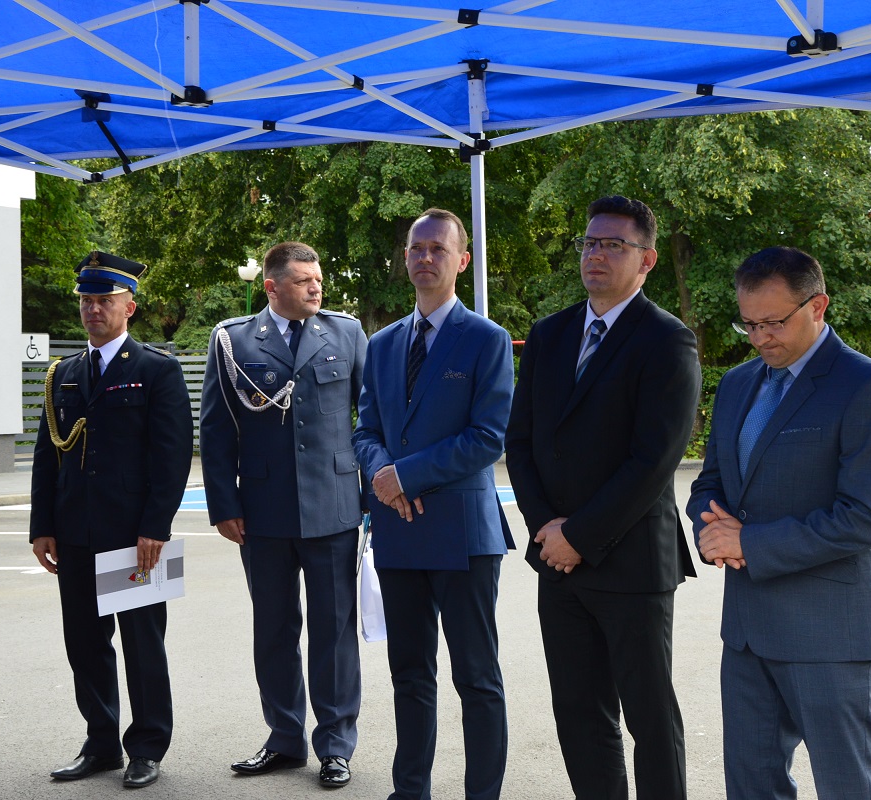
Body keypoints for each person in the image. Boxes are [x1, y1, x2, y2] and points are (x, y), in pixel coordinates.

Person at [687, 246, 871, 799]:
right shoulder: (740, 384)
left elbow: (867, 518)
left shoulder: (870, 387)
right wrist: (709, 526)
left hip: (830, 635)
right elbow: (710, 481)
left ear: (818, 306)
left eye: (773, 322)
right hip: (746, 632)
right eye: (748, 324)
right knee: (751, 786)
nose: (761, 337)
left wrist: (751, 543)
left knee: (846, 787)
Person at [505, 195, 701, 800]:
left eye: (613, 244)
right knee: (579, 715)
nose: (596, 254)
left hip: (631, 563)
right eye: (589, 242)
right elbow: (522, 441)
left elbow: (654, 461)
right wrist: (548, 532)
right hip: (557, 563)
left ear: (645, 261)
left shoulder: (668, 341)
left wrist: (579, 536)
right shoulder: (550, 333)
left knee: (650, 718)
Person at [353, 208, 515, 800]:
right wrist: (381, 474)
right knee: (410, 676)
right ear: (405, 256)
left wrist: (406, 476)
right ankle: (410, 789)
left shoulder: (487, 339)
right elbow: (365, 430)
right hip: (398, 533)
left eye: (438, 250)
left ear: (461, 261)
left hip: (463, 536)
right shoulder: (383, 342)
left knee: (477, 678)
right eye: (416, 248)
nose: (425, 258)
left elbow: (488, 437)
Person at [200, 242, 366, 788]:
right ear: (272, 287)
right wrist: (224, 504)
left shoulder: (345, 332)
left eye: (318, 279)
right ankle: (284, 738)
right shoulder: (235, 339)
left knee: (333, 633)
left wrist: (371, 494)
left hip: (335, 508)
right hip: (263, 513)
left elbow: (372, 419)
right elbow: (218, 429)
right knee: (273, 629)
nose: (316, 288)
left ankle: (336, 744)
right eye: (303, 281)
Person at [30, 252, 193, 790]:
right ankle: (100, 741)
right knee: (84, 642)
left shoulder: (156, 370)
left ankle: (147, 746)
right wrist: (41, 525)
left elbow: (172, 457)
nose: (93, 309)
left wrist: (156, 528)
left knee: (143, 643)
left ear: (130, 306)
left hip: (134, 536)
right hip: (75, 530)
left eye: (104, 300)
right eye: (86, 300)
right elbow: (45, 455)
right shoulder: (65, 374)